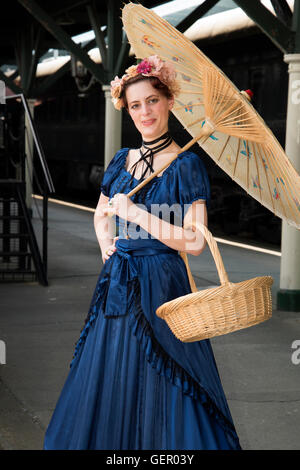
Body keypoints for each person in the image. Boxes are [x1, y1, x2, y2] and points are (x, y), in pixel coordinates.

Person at [43, 55, 242, 450]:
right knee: (112, 368)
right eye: (135, 105)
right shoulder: (121, 160)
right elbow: (101, 214)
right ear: (127, 109)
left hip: (165, 284)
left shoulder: (187, 165)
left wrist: (137, 215)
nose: (144, 112)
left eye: (152, 100)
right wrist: (105, 242)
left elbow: (195, 242)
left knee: (167, 375)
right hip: (118, 281)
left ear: (169, 101)